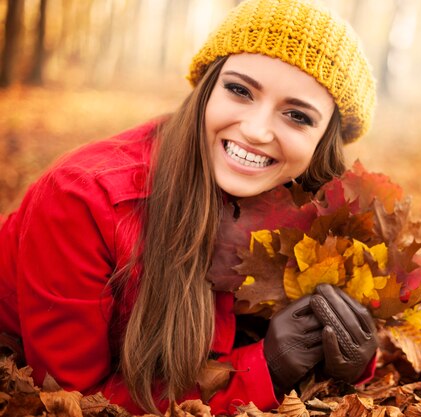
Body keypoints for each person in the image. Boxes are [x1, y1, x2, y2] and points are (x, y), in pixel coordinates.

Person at [0, 0, 378, 415]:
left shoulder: (310, 209)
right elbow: (70, 402)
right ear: (206, 89)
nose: (255, 130)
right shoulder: (83, 199)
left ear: (323, 143)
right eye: (239, 90)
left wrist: (349, 357)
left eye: (296, 116)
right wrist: (265, 368)